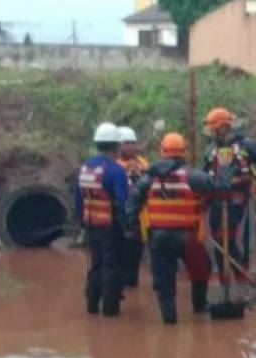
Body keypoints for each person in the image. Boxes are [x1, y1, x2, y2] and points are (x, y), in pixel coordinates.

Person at [127, 133, 221, 325]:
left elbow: (132, 203)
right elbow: (216, 191)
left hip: (159, 237)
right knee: (201, 269)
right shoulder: (194, 177)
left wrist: (130, 226)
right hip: (188, 236)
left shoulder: (148, 178)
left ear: (162, 151)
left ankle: (169, 320)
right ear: (183, 153)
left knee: (164, 281)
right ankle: (200, 307)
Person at [202, 107, 256, 275]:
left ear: (224, 127)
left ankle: (241, 272)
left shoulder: (246, 145)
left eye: (214, 130)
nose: (212, 134)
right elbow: (205, 173)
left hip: (238, 198)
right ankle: (224, 280)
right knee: (218, 242)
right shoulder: (210, 150)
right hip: (216, 200)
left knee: (231, 237)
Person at [74, 122, 129, 317]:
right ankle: (110, 310)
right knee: (111, 265)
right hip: (110, 225)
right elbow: (124, 201)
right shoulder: (115, 170)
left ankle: (91, 305)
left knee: (96, 262)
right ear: (116, 146)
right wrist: (128, 226)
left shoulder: (85, 168)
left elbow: (78, 198)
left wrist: (81, 223)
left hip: (91, 224)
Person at [116, 126, 149, 288]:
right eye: (125, 143)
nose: (129, 147)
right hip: (123, 214)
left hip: (141, 217)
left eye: (131, 143)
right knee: (122, 253)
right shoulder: (115, 164)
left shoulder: (142, 162)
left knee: (136, 253)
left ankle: (132, 282)